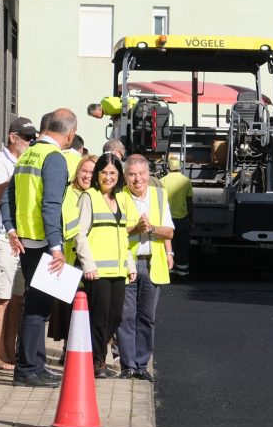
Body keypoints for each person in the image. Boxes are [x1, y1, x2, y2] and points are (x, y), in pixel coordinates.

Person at [0, 108, 77, 387]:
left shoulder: (28, 154)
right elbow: (51, 205)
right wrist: (57, 247)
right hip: (44, 242)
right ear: (70, 134)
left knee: (36, 303)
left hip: (27, 240)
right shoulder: (54, 158)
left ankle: (36, 365)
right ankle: (28, 369)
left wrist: (11, 229)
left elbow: (7, 196)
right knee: (37, 307)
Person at [72, 152, 137, 378]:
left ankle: (97, 357)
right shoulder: (89, 197)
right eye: (103, 172)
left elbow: (123, 236)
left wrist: (130, 264)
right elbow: (79, 235)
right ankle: (97, 362)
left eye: (112, 173)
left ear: (118, 175)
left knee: (115, 317)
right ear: (97, 175)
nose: (108, 177)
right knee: (99, 318)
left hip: (118, 270)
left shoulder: (120, 198)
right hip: (97, 271)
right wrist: (88, 265)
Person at [0, 116, 36, 370]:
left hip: (18, 239)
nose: (30, 142)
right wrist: (16, 176)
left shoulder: (24, 162)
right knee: (2, 297)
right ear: (12, 137)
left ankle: (10, 351)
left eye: (32, 138)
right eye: (26, 137)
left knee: (17, 299)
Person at [117, 154, 174, 381]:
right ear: (125, 177)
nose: (137, 179)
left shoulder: (160, 195)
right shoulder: (119, 197)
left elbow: (169, 231)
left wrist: (151, 230)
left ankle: (142, 365)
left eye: (141, 174)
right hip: (127, 264)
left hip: (152, 263)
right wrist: (135, 229)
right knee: (125, 316)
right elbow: (114, 231)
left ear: (148, 175)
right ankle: (128, 365)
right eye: (132, 174)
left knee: (147, 318)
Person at [48, 154, 98, 348]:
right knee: (68, 310)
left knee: (92, 308)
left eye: (91, 172)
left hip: (93, 259)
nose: (86, 176)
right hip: (69, 258)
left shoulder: (99, 196)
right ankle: (69, 351)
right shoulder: (67, 192)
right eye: (83, 171)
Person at [160, 154, 193, 278]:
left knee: (169, 245)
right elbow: (189, 202)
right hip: (182, 220)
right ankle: (183, 271)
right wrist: (191, 219)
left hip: (167, 220)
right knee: (182, 246)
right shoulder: (186, 181)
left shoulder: (163, 181)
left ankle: (169, 269)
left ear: (168, 167)